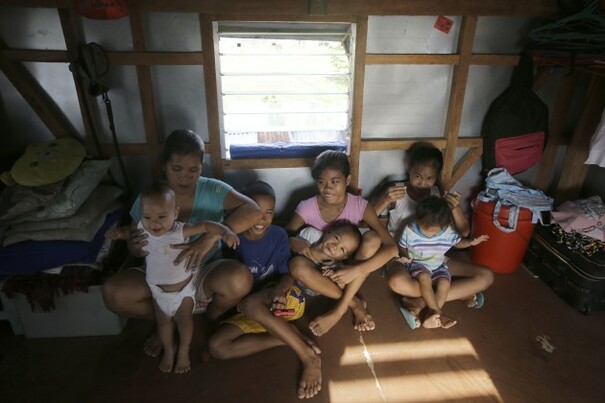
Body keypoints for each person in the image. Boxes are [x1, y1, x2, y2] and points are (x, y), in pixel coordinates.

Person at [102, 129, 262, 358]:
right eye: (176, 169)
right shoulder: (150, 197)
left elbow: (254, 211)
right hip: (160, 275)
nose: (185, 177)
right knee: (113, 293)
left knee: (240, 279)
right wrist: (135, 247)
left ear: (201, 167)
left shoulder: (213, 189)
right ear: (164, 166)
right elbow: (134, 244)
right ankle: (167, 320)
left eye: (193, 170)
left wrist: (210, 238)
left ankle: (208, 317)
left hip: (204, 271)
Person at [209, 182, 362, 399]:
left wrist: (281, 290)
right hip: (257, 307)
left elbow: (289, 271)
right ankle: (286, 336)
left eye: (268, 213)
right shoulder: (231, 238)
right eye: (254, 211)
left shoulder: (278, 236)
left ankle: (308, 356)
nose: (261, 218)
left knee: (251, 304)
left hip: (287, 299)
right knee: (217, 347)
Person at [106, 183, 239, 373]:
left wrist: (225, 231)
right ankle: (169, 351)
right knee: (163, 324)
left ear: (175, 213)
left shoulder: (179, 231)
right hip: (158, 293)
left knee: (185, 322)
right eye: (147, 217)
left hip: (183, 292)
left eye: (162, 217)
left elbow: (205, 225)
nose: (154, 223)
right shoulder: (143, 229)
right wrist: (119, 234)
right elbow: (129, 231)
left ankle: (183, 351)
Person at [372, 142, 494, 329]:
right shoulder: (398, 192)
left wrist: (454, 208)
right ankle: (451, 294)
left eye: (429, 178)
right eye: (418, 176)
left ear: (436, 177)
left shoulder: (437, 195)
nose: (422, 182)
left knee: (486, 277)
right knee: (396, 282)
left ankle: (420, 302)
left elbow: (463, 232)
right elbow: (369, 218)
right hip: (402, 258)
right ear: (409, 168)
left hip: (435, 258)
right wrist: (386, 199)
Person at [287, 150, 398, 337]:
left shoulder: (359, 205)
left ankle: (338, 311)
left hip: (346, 266)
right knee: (297, 266)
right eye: (321, 182)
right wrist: (293, 240)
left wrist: (356, 270)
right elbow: (283, 235)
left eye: (334, 182)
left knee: (372, 239)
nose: (327, 188)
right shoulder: (306, 207)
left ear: (347, 180)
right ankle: (354, 303)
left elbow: (392, 247)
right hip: (317, 267)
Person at [396, 195, 489, 329]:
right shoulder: (410, 229)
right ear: (418, 219)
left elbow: (458, 243)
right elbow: (402, 246)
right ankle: (438, 314)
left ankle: (431, 314)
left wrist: (471, 242)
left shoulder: (447, 231)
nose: (430, 234)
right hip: (417, 263)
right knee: (425, 277)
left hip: (438, 265)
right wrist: (405, 257)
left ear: (444, 225)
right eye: (426, 230)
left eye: (435, 232)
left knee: (445, 282)